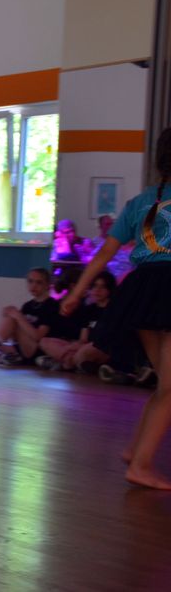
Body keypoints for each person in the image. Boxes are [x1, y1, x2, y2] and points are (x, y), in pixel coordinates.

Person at [61, 128, 171, 489]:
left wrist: (77, 292)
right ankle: (140, 465)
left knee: (166, 383)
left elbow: (106, 253)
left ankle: (136, 450)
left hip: (143, 290)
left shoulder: (140, 202)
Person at [0, 268, 58, 365]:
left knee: (12, 317)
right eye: (30, 281)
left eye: (39, 282)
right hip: (21, 348)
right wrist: (11, 321)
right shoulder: (28, 305)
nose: (33, 286)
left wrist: (17, 316)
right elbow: (15, 337)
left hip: (37, 350)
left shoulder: (51, 305)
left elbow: (38, 336)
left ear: (47, 285)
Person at [37, 271, 115, 372]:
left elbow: (109, 339)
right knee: (44, 342)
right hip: (83, 346)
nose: (97, 290)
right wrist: (73, 346)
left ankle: (65, 363)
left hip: (101, 348)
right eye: (95, 286)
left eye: (102, 287)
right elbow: (83, 338)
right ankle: (72, 363)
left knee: (85, 351)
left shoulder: (114, 311)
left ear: (109, 289)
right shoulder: (88, 310)